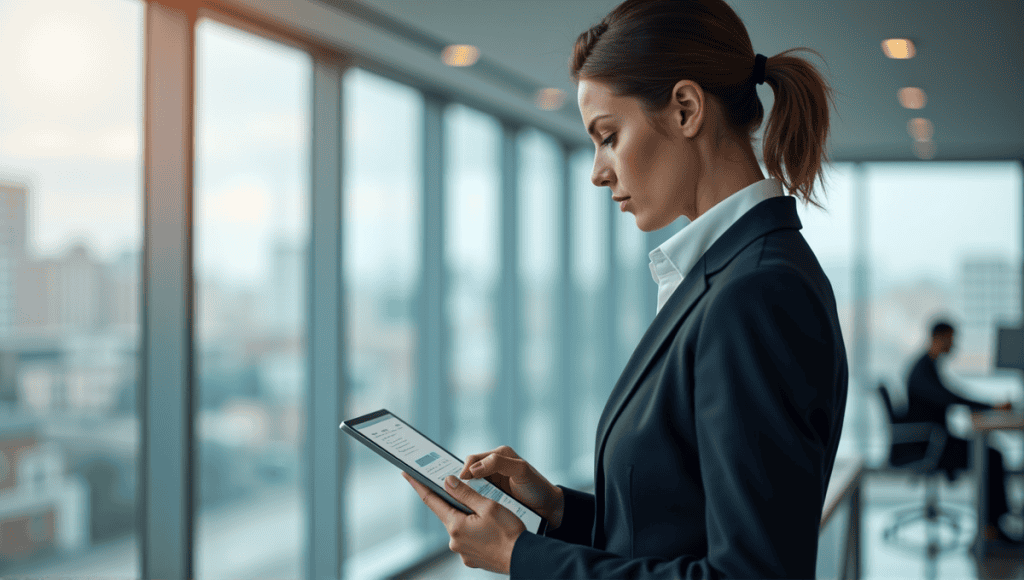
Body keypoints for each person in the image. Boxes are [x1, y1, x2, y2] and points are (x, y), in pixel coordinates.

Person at [401, 0, 848, 577]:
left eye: (608, 136)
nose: (597, 170)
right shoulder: (730, 276)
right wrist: (557, 508)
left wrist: (521, 556)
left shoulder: (755, 293)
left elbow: (751, 574)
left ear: (686, 109)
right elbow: (682, 525)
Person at [903, 320, 1020, 545]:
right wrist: (990, 406)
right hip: (931, 446)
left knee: (990, 452)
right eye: (951, 339)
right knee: (991, 456)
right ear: (939, 338)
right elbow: (950, 398)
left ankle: (992, 526)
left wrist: (989, 406)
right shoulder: (922, 370)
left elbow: (952, 395)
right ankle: (993, 529)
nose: (954, 344)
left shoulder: (928, 366)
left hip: (934, 440)